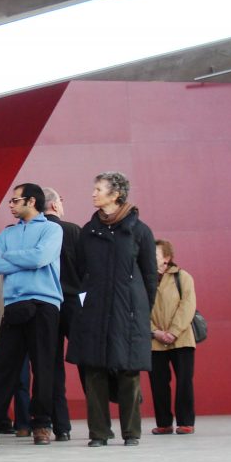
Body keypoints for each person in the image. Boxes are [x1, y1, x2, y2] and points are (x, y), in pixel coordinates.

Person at [67, 172, 157, 447]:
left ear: (115, 194)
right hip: (94, 311)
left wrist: (140, 308)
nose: (93, 193)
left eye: (98, 189)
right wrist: (86, 301)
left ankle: (131, 432)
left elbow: (150, 276)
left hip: (128, 313)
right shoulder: (88, 231)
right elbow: (81, 272)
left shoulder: (139, 231)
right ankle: (99, 433)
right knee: (94, 372)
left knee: (129, 372)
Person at [0, 182, 62, 445]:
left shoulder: (52, 229)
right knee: (5, 369)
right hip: (15, 306)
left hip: (44, 305)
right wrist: (27, 257)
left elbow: (41, 258)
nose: (11, 205)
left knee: (43, 368)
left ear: (31, 201)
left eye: (15, 201)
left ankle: (41, 425)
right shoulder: (7, 234)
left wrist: (13, 258)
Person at [42, 186, 83, 441]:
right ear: (56, 205)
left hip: (46, 304)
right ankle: (99, 423)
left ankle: (61, 426)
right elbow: (87, 270)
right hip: (73, 303)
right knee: (88, 362)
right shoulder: (73, 231)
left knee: (51, 366)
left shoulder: (33, 232)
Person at [148, 239, 198, 435]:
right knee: (158, 383)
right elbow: (139, 309)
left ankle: (186, 422)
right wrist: (155, 331)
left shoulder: (182, 277)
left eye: (155, 254)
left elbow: (188, 305)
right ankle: (164, 423)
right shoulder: (143, 279)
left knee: (184, 381)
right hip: (155, 340)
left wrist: (174, 332)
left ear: (166, 258)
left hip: (182, 339)